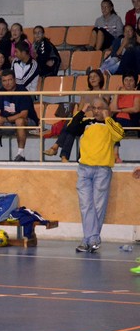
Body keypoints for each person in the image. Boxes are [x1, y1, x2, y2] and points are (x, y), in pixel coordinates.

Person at [70, 97, 123, 254]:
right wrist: (82, 111)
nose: (96, 110)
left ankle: (88, 240)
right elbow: (71, 129)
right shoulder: (87, 124)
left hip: (102, 170)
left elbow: (118, 136)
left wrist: (108, 118)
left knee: (98, 205)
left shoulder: (112, 125)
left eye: (100, 108)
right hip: (84, 169)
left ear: (107, 109)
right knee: (86, 205)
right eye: (94, 108)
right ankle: (92, 240)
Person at [44, 69, 109, 162]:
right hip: (85, 118)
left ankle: (57, 150)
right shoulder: (86, 92)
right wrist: (85, 112)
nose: (92, 79)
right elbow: (80, 109)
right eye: (90, 77)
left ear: (100, 78)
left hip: (96, 120)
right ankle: (63, 156)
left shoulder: (105, 92)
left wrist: (91, 111)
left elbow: (104, 108)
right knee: (71, 127)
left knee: (71, 128)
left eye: (95, 76)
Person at [0, 69, 38, 162]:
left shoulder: (23, 91)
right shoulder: (0, 92)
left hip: (28, 121)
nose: (7, 83)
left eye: (9, 80)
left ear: (15, 80)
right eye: (4, 81)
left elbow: (24, 114)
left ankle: (21, 154)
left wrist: (5, 119)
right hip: (7, 121)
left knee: (19, 121)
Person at [109, 73, 140, 163]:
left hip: (130, 119)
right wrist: (116, 94)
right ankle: (114, 154)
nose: (128, 83)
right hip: (117, 119)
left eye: (131, 80)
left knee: (115, 126)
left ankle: (115, 154)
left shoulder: (137, 94)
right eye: (126, 80)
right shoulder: (120, 94)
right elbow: (112, 109)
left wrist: (120, 110)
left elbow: (136, 109)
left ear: (135, 82)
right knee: (111, 125)